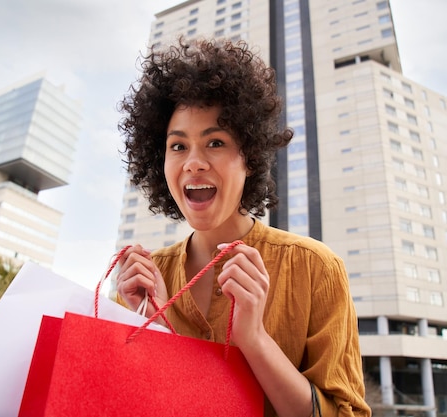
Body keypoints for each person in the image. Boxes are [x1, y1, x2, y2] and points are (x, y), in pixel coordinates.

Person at [116, 37, 371, 417]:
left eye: (215, 142)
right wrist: (150, 326)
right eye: (177, 146)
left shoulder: (315, 268)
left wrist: (254, 340)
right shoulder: (143, 282)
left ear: (249, 157)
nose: (194, 163)